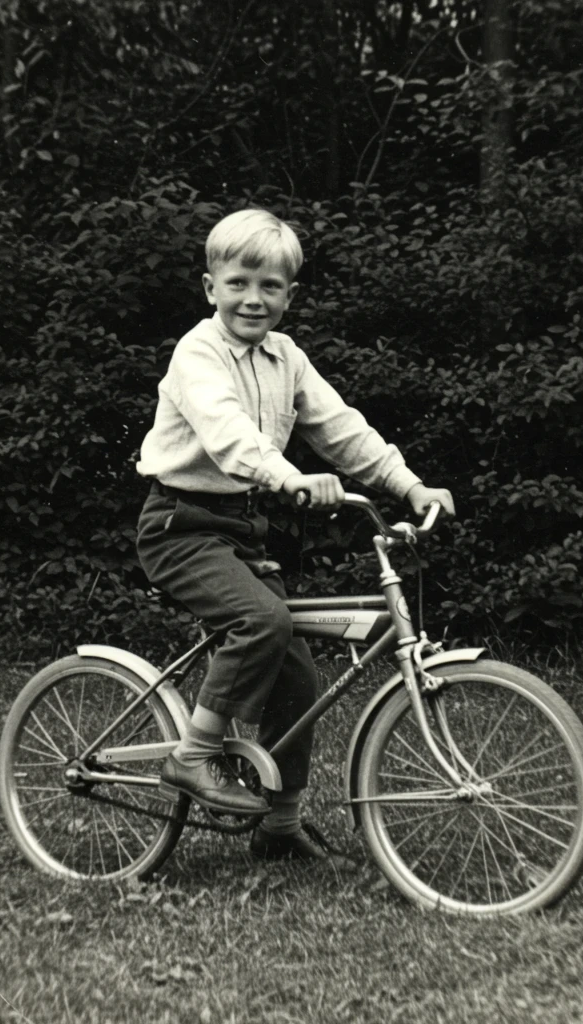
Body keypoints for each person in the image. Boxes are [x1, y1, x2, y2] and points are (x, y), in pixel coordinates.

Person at [135, 208, 454, 862]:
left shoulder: (287, 358)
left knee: (297, 676)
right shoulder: (198, 353)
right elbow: (228, 434)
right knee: (260, 621)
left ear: (289, 294)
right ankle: (193, 754)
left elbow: (342, 429)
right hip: (180, 525)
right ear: (210, 288)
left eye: (271, 286)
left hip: (241, 530)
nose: (254, 298)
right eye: (239, 282)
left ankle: (278, 826)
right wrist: (287, 477)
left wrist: (410, 484)